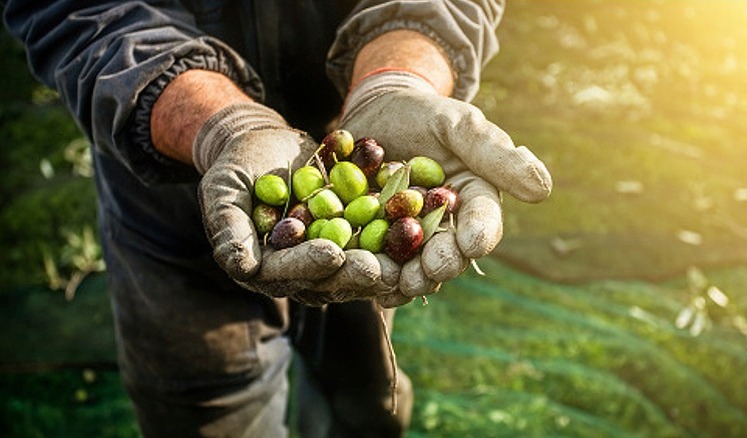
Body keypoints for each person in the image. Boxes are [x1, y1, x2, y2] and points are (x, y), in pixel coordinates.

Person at [3, 1, 551, 436]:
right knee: (205, 407)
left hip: (366, 135)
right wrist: (225, 125)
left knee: (367, 394)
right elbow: (77, 10)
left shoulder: (375, 202)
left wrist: (396, 79)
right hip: (168, 182)